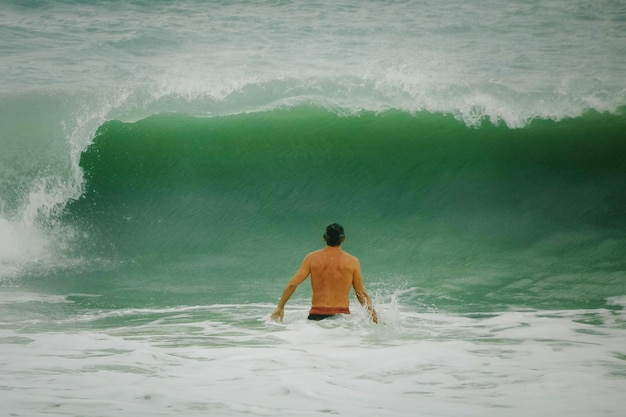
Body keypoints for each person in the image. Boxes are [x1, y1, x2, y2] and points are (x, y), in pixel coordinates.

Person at [270, 223, 379, 323]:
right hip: (341, 318)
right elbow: (360, 293)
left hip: (316, 316)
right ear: (343, 239)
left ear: (324, 238)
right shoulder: (352, 261)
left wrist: (280, 307)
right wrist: (375, 318)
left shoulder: (311, 258)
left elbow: (293, 283)